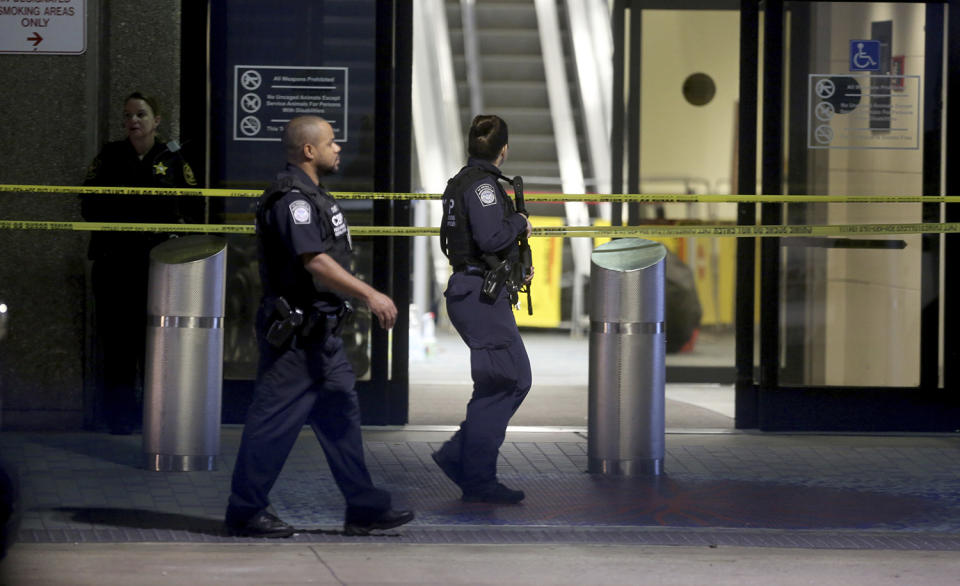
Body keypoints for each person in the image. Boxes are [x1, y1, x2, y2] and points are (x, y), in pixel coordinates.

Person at [224, 116, 414, 538]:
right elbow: (315, 261)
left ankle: (363, 506)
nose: (338, 148)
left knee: (342, 419)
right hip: (296, 340)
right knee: (272, 424)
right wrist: (371, 295)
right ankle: (245, 510)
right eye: (331, 142)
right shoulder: (292, 200)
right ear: (308, 150)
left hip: (322, 339)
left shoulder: (314, 196)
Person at [80, 91, 204, 434]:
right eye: (128, 116)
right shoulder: (110, 156)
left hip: (157, 265)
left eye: (141, 114)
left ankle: (156, 416)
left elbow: (193, 209)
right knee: (117, 342)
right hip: (115, 262)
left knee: (157, 344)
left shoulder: (173, 159)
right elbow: (88, 203)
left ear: (157, 120)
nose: (133, 121)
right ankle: (119, 417)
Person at [431, 115, 534, 504]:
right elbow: (490, 237)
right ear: (503, 150)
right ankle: (472, 471)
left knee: (496, 382)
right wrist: (520, 222)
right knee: (510, 380)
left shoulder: (462, 181)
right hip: (480, 295)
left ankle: (467, 464)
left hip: (474, 291)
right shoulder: (484, 188)